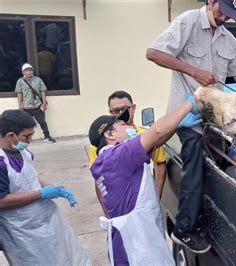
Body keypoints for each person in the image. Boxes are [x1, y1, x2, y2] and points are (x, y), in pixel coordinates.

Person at [146, 0, 236, 253]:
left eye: (230, 14)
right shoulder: (187, 21)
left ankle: (208, 219)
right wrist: (194, 71)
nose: (224, 17)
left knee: (220, 167)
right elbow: (153, 53)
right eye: (221, 10)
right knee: (195, 167)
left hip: (214, 119)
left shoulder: (228, 40)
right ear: (211, 1)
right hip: (188, 115)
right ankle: (184, 229)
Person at [89, 93, 201, 265]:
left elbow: (157, 141)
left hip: (132, 237)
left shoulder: (107, 159)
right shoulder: (118, 156)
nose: (129, 126)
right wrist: (189, 104)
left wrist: (178, 123)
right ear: (110, 135)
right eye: (123, 125)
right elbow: (156, 132)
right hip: (136, 245)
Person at [0, 109, 90, 265]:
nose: (30, 140)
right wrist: (40, 194)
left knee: (64, 255)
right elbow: (1, 201)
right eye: (27, 136)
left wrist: (55, 188)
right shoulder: (1, 163)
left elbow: (29, 176)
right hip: (22, 229)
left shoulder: (21, 151)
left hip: (44, 217)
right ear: (10, 136)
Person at [89, 91, 168, 216]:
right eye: (115, 111)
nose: (120, 113)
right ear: (110, 112)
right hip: (123, 211)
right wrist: (108, 213)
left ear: (133, 108)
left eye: (124, 109)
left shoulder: (146, 135)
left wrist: (156, 198)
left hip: (144, 205)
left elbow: (160, 164)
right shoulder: (101, 146)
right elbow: (99, 182)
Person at [15, 63, 56, 143]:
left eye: (30, 70)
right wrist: (20, 105)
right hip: (27, 107)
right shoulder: (20, 81)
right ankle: (23, 139)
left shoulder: (38, 80)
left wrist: (44, 103)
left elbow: (43, 91)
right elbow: (19, 93)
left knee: (42, 122)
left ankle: (47, 136)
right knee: (24, 124)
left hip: (37, 105)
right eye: (26, 70)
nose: (29, 72)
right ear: (23, 72)